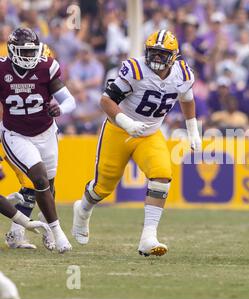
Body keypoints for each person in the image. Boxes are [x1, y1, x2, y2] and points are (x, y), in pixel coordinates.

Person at [72, 30, 201, 257]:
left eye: (163, 54)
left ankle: (148, 238)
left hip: (150, 133)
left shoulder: (183, 74)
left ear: (174, 56)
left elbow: (187, 100)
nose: (157, 58)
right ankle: (82, 210)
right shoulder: (135, 69)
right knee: (103, 188)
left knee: (162, 174)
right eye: (154, 53)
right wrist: (126, 122)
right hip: (118, 130)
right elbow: (106, 100)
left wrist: (193, 132)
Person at [0, 28, 75, 253]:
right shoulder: (2, 68)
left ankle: (23, 231)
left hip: (46, 132)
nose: (29, 56)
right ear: (12, 50)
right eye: (24, 51)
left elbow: (69, 100)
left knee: (48, 187)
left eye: (33, 51)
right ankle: (57, 233)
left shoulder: (46, 67)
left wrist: (59, 108)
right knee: (38, 180)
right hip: (16, 134)